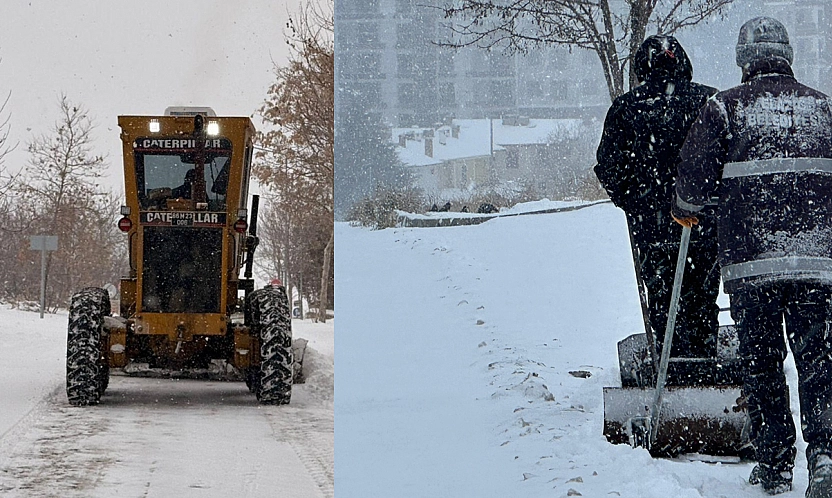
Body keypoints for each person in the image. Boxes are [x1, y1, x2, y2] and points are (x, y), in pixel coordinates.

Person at [673, 17, 832, 496]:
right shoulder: (823, 110)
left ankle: (775, 462)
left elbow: (693, 182)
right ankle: (825, 456)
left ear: (744, 60)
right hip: (816, 263)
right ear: (788, 56)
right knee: (818, 360)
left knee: (761, 362)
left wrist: (687, 209)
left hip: (751, 264)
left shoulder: (723, 109)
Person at [595, 35, 720, 363]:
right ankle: (704, 365)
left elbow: (608, 166)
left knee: (663, 298)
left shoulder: (626, 108)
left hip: (653, 226)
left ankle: (671, 363)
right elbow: (728, 160)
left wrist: (633, 202)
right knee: (702, 297)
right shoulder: (711, 103)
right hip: (703, 224)